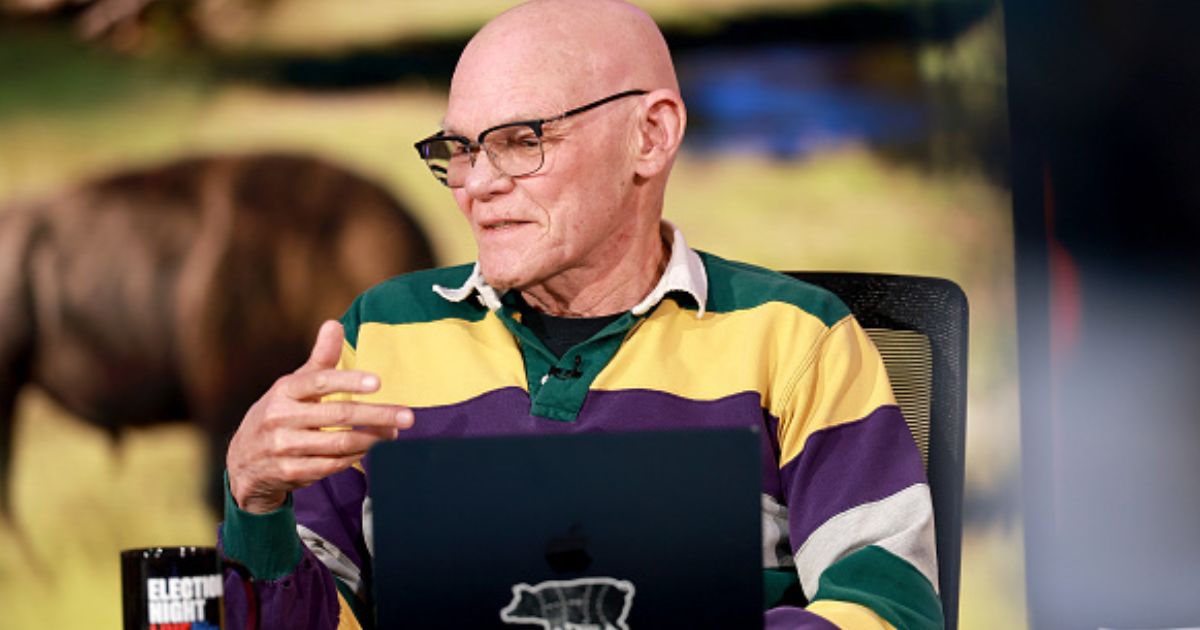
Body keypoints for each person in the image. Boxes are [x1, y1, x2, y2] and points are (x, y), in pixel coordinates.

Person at [219, 1, 943, 628]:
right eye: (458, 150)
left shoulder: (796, 338)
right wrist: (256, 503)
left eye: (519, 141)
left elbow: (887, 610)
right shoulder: (379, 336)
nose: (476, 185)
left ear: (650, 136)